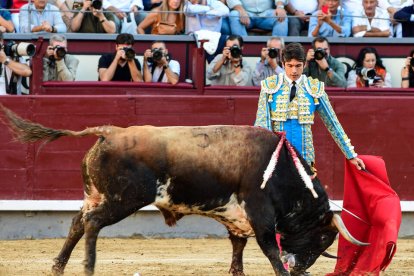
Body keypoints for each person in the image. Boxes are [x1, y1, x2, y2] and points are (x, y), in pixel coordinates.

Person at [254, 42, 365, 171]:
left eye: (298, 66)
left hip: (305, 155)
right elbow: (262, 124)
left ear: (304, 64)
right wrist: (264, 157)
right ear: (283, 64)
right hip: (277, 155)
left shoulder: (314, 88)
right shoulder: (270, 86)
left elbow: (333, 123)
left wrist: (351, 155)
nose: (294, 71)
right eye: (289, 66)